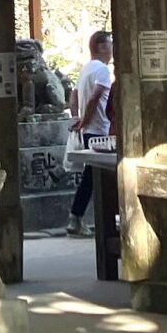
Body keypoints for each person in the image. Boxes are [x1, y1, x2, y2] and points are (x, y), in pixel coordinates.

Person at [67, 30, 116, 234]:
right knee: (99, 178)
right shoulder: (102, 70)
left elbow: (73, 97)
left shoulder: (86, 69)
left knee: (92, 177)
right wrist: (85, 120)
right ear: (101, 47)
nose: (112, 49)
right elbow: (95, 98)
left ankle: (76, 218)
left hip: (89, 130)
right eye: (110, 44)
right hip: (100, 130)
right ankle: (90, 220)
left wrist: (77, 119)